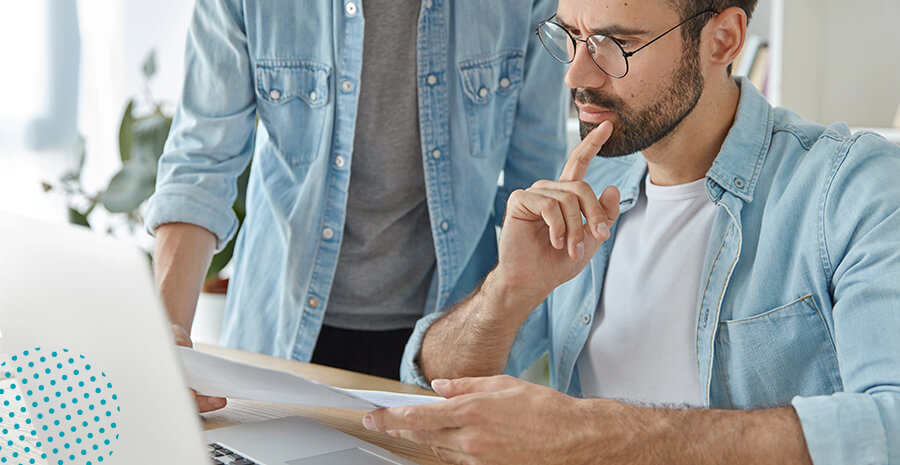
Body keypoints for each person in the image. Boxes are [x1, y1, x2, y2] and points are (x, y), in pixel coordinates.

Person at [362, 0, 900, 464]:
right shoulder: (584, 185)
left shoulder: (852, 189)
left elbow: (891, 426)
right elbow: (428, 388)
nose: (576, 76)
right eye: (570, 37)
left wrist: (588, 436)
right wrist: (508, 291)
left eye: (614, 44)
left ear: (722, 39)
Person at [144, 0, 569, 412]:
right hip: (279, 338)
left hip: (447, 344)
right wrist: (166, 337)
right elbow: (202, 161)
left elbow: (535, 187)